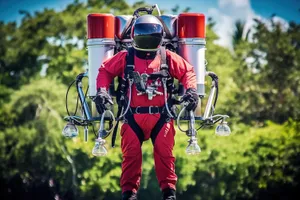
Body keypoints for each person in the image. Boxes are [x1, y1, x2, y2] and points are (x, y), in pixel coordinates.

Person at [94, 14, 198, 200]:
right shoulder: (126, 57)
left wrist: (191, 91)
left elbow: (188, 71)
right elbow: (105, 70)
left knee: (165, 156)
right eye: (144, 34)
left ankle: (169, 193)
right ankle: (129, 194)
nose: (147, 38)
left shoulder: (167, 57)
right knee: (131, 157)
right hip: (132, 116)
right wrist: (102, 91)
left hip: (161, 116)